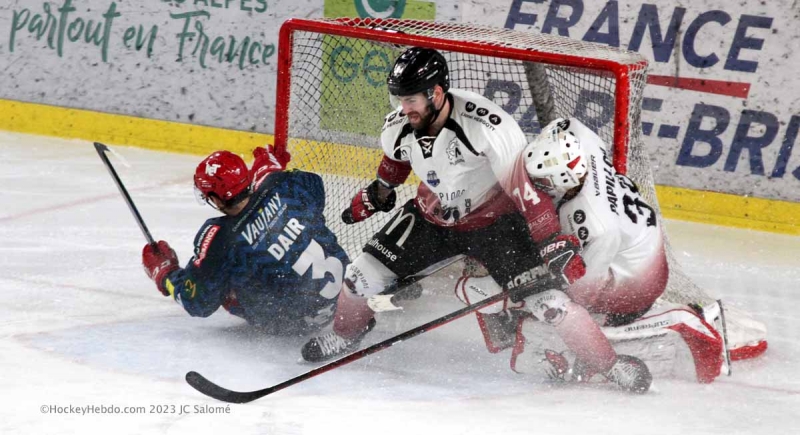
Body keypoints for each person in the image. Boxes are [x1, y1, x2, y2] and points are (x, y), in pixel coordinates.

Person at [300, 47, 587, 364]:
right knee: (358, 278)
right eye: (400, 99)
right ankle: (345, 334)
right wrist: (380, 192)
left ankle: (586, 354)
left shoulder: (489, 127)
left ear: (435, 93)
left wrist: (549, 239)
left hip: (496, 225)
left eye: (410, 100)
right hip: (430, 219)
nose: (403, 108)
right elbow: (397, 158)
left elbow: (524, 189)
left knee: (547, 299)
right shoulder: (400, 124)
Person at [457, 118, 726, 392]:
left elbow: (581, 293)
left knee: (548, 304)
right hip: (634, 248)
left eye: (541, 185)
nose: (534, 190)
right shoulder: (580, 141)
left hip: (632, 290)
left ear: (560, 184)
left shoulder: (594, 225)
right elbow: (563, 123)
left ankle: (608, 362)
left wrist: (527, 286)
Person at [141, 145, 349, 335]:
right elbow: (315, 189)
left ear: (215, 199)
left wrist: (165, 273)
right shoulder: (285, 185)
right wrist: (269, 176)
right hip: (346, 295)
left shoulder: (220, 236)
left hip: (295, 324)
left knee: (225, 280)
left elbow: (198, 303)